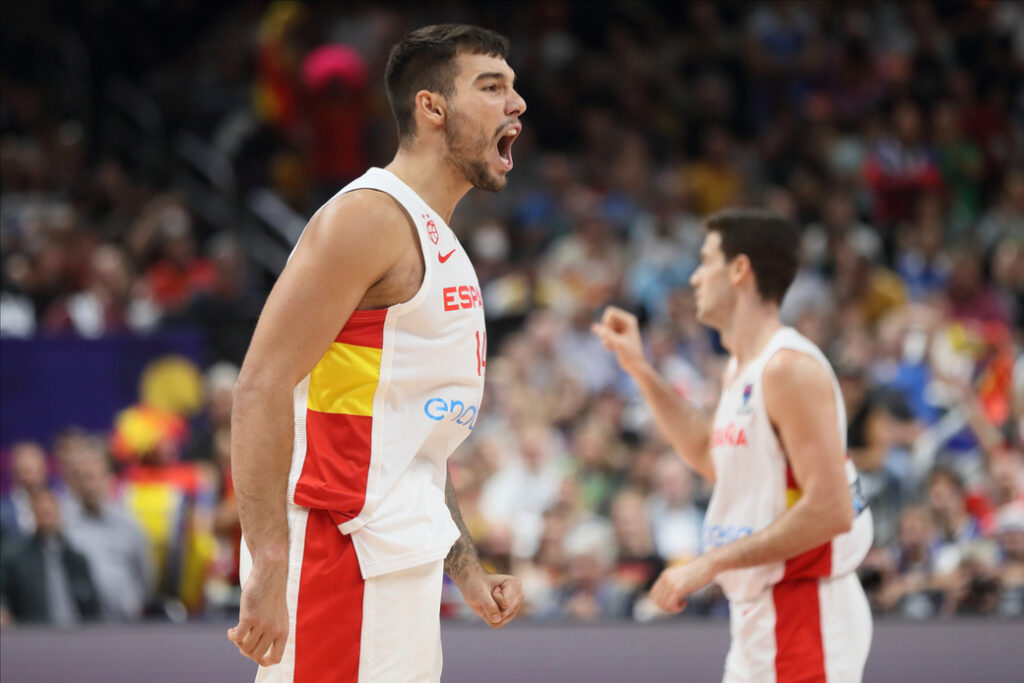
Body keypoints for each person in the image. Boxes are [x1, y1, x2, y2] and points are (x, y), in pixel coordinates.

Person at [228, 24, 527, 682]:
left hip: (396, 558)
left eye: (513, 87)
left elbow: (411, 441)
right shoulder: (369, 216)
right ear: (431, 107)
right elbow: (260, 386)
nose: (518, 103)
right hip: (338, 554)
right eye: (492, 86)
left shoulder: (437, 241)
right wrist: (270, 564)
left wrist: (468, 568)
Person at [593, 208, 874, 682]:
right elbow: (709, 455)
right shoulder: (740, 368)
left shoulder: (788, 368)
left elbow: (831, 509)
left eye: (706, 261)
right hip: (760, 618)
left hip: (804, 613)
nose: (695, 276)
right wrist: (639, 368)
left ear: (740, 269)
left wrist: (709, 564)